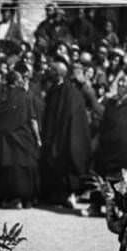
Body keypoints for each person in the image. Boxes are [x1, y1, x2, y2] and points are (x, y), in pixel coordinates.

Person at [88, 71, 127, 216]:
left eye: (124, 82)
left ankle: (120, 210)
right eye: (119, 81)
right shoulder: (111, 103)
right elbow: (104, 125)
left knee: (122, 184)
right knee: (101, 179)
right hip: (107, 150)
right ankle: (95, 207)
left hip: (125, 153)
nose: (120, 84)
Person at [40, 58, 91, 207]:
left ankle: (70, 194)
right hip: (54, 134)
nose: (48, 72)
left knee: (68, 165)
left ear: (58, 74)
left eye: (51, 70)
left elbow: (73, 117)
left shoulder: (71, 93)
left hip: (66, 135)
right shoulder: (54, 89)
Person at [0, 70, 41, 208]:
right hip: (24, 135)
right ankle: (28, 199)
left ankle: (14, 199)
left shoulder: (3, 95)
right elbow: (32, 119)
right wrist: (38, 138)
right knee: (25, 166)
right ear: (18, 81)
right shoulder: (25, 96)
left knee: (11, 167)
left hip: (8, 137)